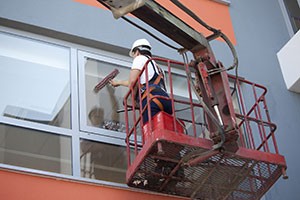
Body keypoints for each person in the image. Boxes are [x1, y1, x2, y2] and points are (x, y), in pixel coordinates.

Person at [110, 38, 172, 123]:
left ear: (137, 51)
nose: (134, 58)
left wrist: (132, 100)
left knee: (150, 131)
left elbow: (132, 82)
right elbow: (140, 82)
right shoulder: (158, 67)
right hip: (166, 101)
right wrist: (118, 82)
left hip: (151, 99)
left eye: (134, 55)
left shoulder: (139, 58)